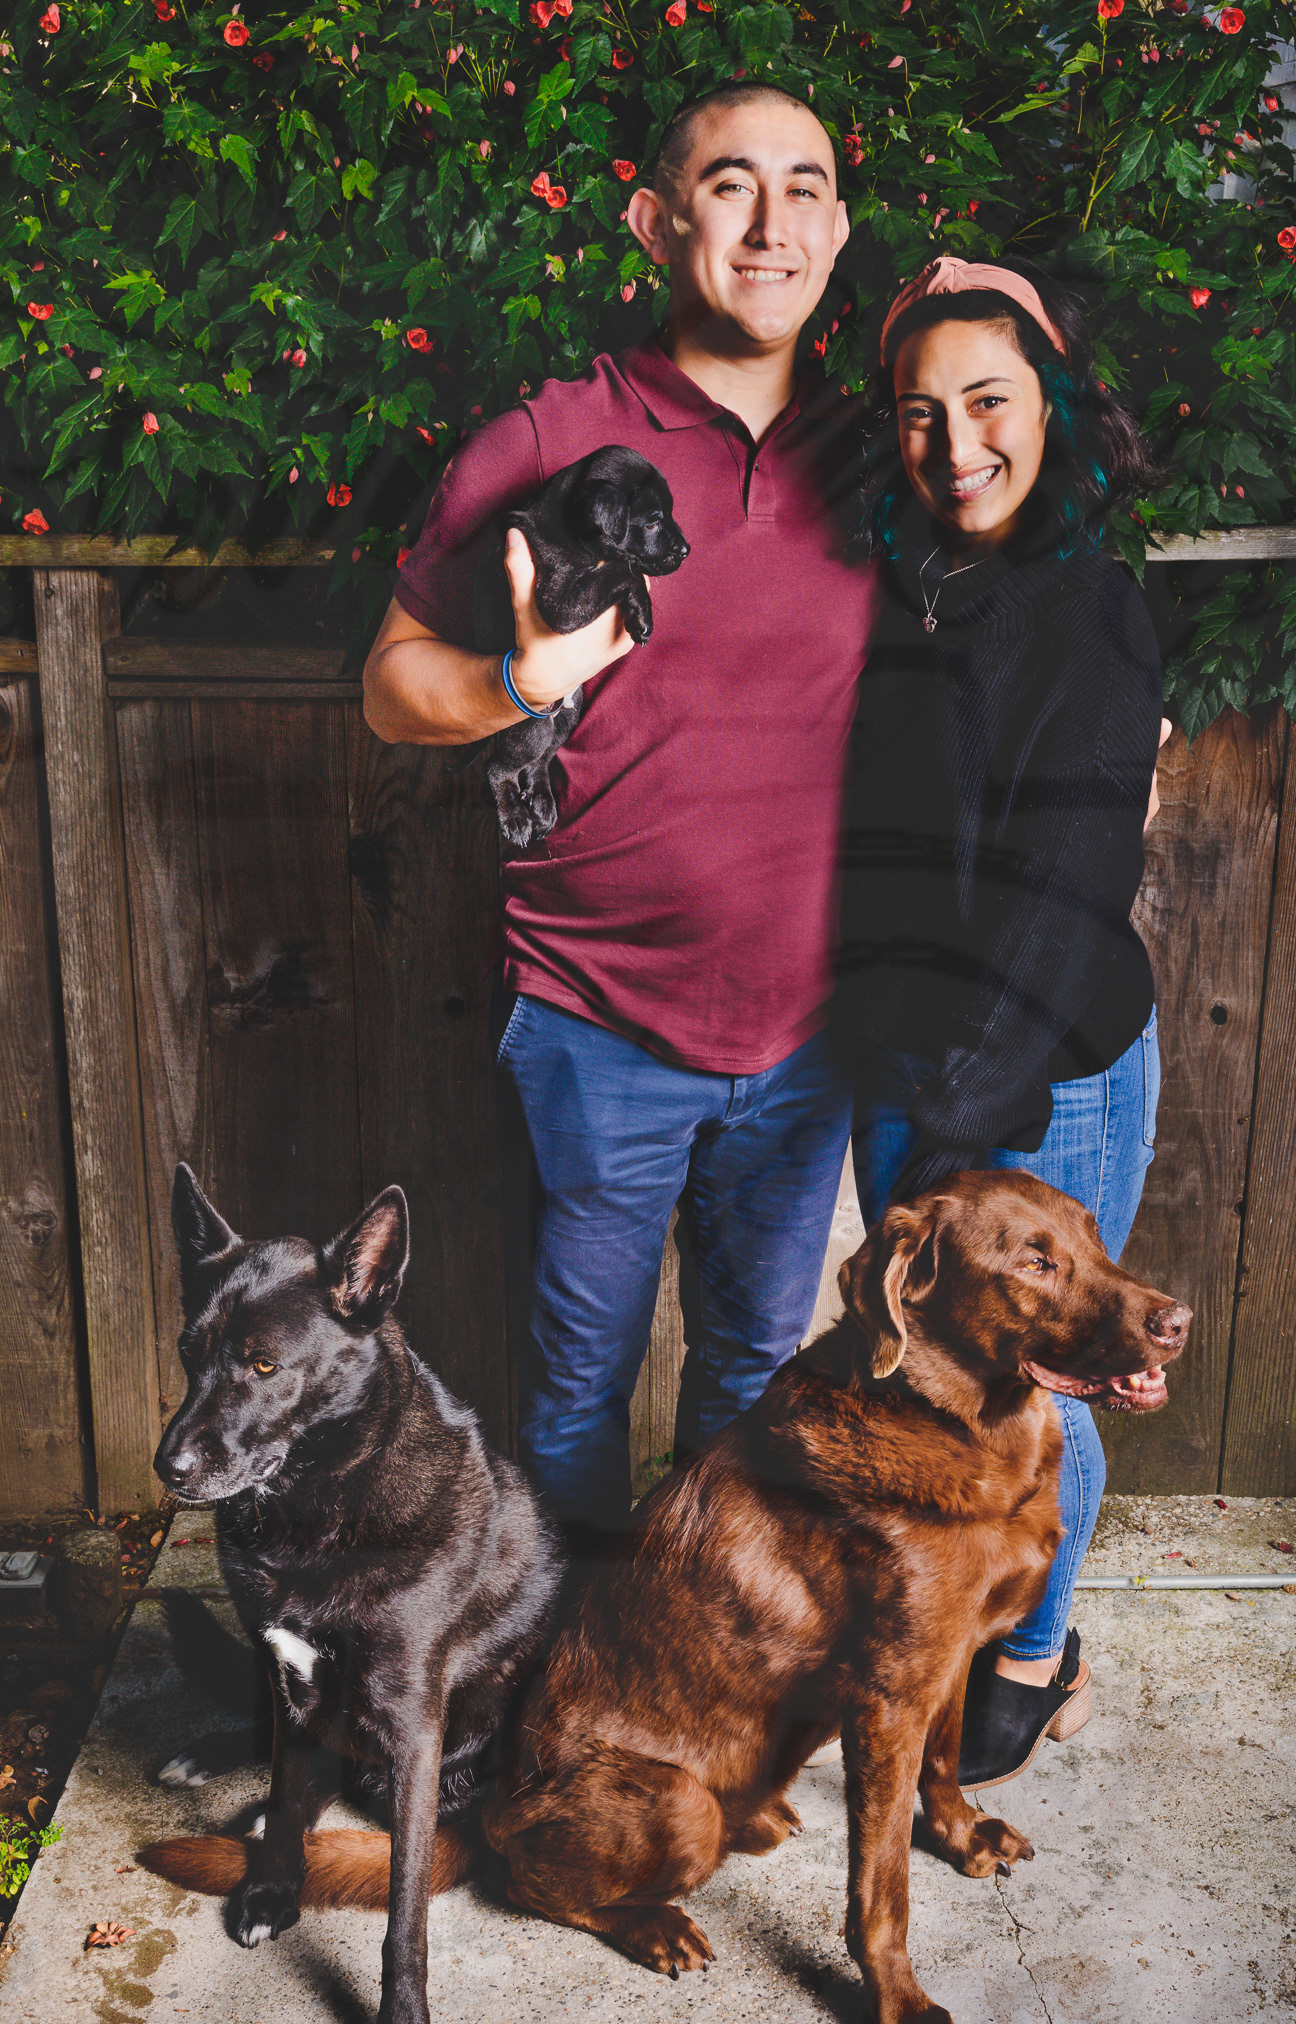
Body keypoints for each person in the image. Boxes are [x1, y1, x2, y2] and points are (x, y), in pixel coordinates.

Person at [362, 87, 876, 1533]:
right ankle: (573, 1653)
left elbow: (1028, 530)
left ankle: (697, 1646)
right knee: (575, 1390)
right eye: (731, 185)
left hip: (812, 1029)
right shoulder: (549, 438)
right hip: (596, 1019)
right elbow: (390, 685)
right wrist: (519, 680)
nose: (770, 224)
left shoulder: (883, 453)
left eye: (804, 187)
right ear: (656, 222)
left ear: (839, 229)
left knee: (755, 1384)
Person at [833, 256, 1168, 1789]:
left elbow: (1062, 892)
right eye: (921, 411)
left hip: (1043, 1068)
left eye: (989, 402)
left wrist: (958, 1131)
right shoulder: (904, 575)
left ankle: (1038, 1653)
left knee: (1041, 1374)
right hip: (904, 1047)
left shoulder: (1087, 607)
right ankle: (965, 1620)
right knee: (931, 1372)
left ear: (1052, 407)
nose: (955, 444)